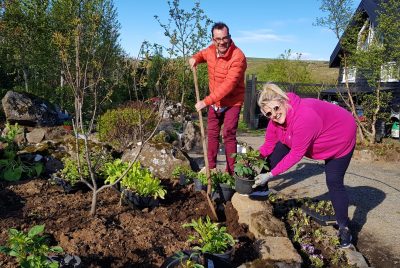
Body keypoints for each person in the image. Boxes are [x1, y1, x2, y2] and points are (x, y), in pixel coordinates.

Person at [254, 83, 357, 248]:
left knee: (334, 180)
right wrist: (250, 159)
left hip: (340, 137)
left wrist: (271, 174)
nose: (274, 114)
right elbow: (268, 146)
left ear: (283, 101)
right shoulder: (275, 122)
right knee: (279, 147)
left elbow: (296, 154)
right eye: (268, 113)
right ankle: (261, 187)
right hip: (315, 135)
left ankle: (344, 227)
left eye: (276, 108)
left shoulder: (305, 117)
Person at [188, 22, 247, 175]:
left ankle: (231, 172)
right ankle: (211, 168)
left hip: (232, 101)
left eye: (224, 38)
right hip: (215, 103)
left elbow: (228, 86)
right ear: (213, 39)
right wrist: (195, 58)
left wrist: (205, 101)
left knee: (228, 134)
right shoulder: (211, 50)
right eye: (218, 39)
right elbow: (201, 54)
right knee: (212, 134)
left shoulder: (238, 57)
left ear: (229, 37)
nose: (221, 42)